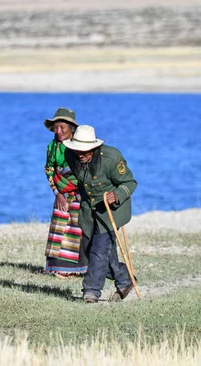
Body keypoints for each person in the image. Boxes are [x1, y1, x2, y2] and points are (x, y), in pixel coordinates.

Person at [63, 125, 137, 303]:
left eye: (85, 151)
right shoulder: (70, 155)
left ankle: (91, 291)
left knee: (99, 250)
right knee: (92, 250)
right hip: (89, 210)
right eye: (78, 149)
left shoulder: (111, 158)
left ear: (95, 148)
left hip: (112, 210)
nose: (80, 154)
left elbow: (130, 182)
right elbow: (83, 182)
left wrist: (117, 195)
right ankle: (126, 280)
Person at [43, 108, 88, 278]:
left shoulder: (80, 146)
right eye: (56, 127)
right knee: (59, 230)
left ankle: (81, 268)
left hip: (80, 194)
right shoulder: (52, 146)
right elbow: (49, 169)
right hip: (62, 193)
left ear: (71, 128)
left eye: (62, 127)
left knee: (78, 229)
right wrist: (58, 193)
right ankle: (60, 268)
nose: (58, 131)